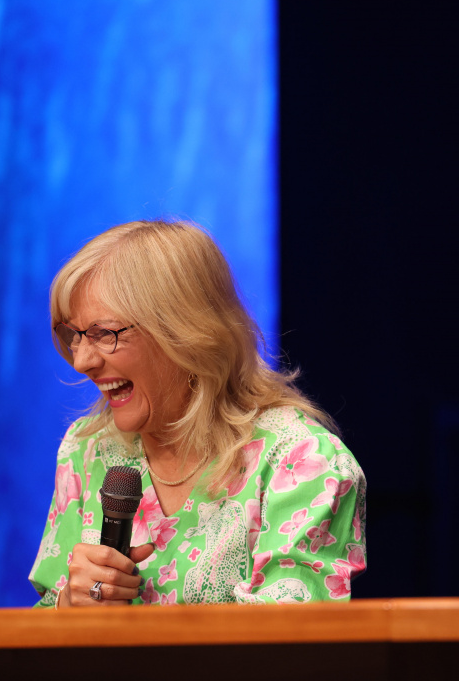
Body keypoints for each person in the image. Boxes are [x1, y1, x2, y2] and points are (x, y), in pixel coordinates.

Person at [28, 220, 366, 608]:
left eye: (104, 333)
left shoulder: (300, 460)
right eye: (74, 335)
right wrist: (69, 607)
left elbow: (291, 639)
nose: (81, 361)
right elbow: (37, 633)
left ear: (184, 332)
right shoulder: (87, 450)